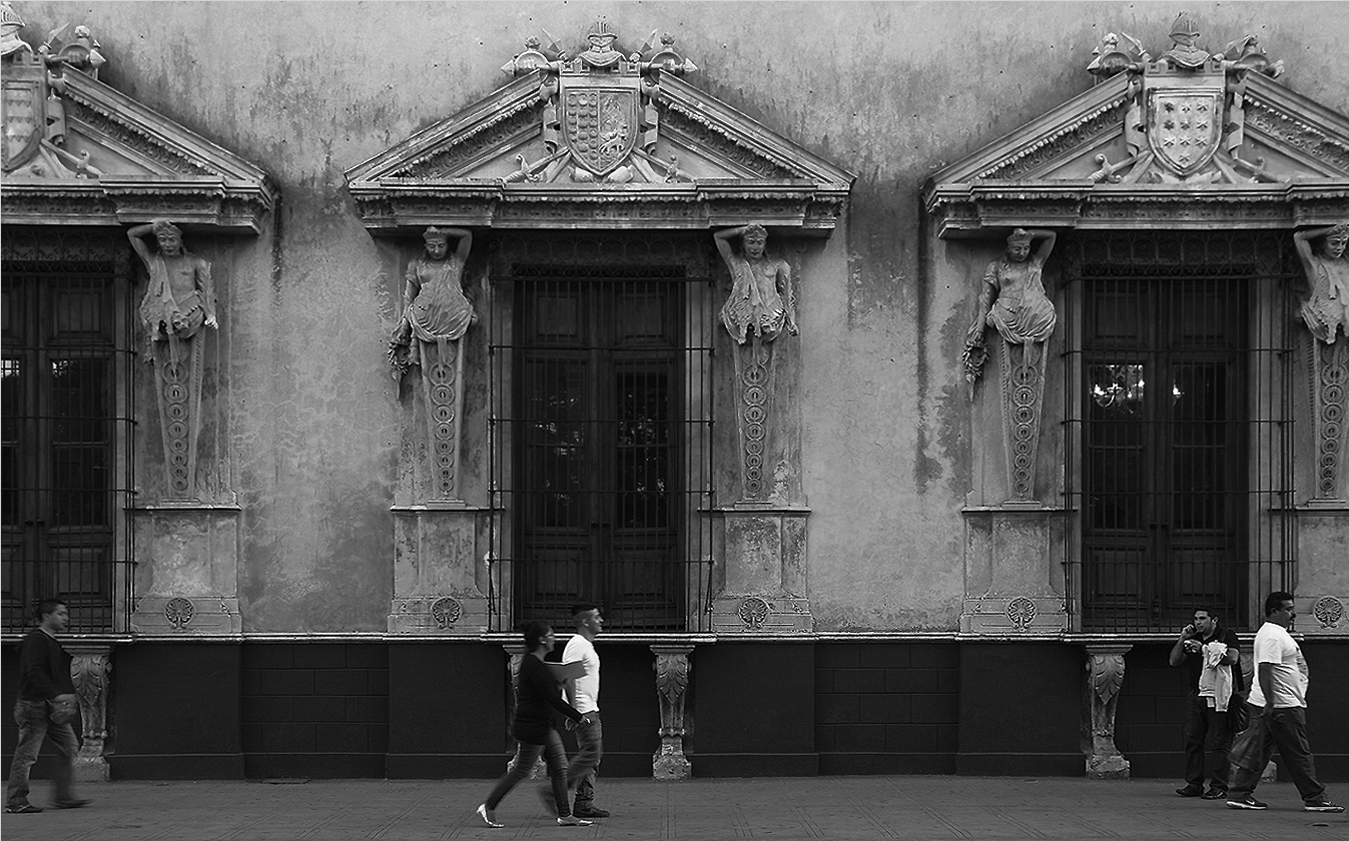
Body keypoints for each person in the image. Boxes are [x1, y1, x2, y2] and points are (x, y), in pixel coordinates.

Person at [1226, 592, 1344, 812]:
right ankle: (1315, 798)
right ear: (1274, 611)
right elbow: (1265, 669)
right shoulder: (1272, 635)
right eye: (1288, 609)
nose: (1293, 613)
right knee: (1298, 752)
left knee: (1258, 750)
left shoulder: (1275, 633)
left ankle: (1240, 793)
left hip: (1275, 703)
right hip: (1282, 706)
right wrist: (1271, 703)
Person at [477, 621, 594, 828]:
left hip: (543, 727)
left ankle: (565, 815)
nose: (554, 638)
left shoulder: (537, 664)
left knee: (560, 768)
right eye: (550, 635)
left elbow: (546, 693)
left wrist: (560, 682)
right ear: (541, 640)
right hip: (533, 728)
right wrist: (577, 716)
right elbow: (551, 698)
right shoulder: (534, 665)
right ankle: (488, 806)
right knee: (521, 770)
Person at [5, 599, 89, 814]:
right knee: (26, 754)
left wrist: (58, 698)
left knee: (69, 746)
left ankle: (63, 797)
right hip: (32, 705)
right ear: (46, 616)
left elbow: (49, 674)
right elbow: (34, 672)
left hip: (49, 706)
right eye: (60, 614)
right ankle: (16, 801)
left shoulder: (51, 641)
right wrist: (57, 695)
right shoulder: (37, 640)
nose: (65, 618)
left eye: (65, 613)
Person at [1168, 608, 1242, 800]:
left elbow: (1232, 658)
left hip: (1219, 695)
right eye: (1195, 619)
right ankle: (1194, 784)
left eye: (1203, 618)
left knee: (1220, 742)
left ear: (1214, 620)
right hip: (1196, 694)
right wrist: (1182, 639)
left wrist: (1202, 649)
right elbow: (1174, 661)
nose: (1198, 622)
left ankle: (1219, 786)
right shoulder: (1192, 639)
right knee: (1194, 740)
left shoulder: (1226, 635)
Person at [964, 227, 1057, 379]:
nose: (1022, 253)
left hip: (1036, 317)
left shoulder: (1035, 263)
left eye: (1026, 248)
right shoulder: (996, 267)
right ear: (1008, 248)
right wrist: (980, 329)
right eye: (1017, 249)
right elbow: (986, 297)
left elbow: (1051, 236)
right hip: (1006, 317)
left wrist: (1031, 233)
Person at [388, 226, 475, 375]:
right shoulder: (416, 265)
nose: (436, 251)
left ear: (448, 246)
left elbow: (467, 236)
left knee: (473, 320)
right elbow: (409, 296)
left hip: (454, 315)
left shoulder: (456, 262)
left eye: (441, 246)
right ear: (425, 246)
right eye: (431, 246)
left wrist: (444, 230)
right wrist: (404, 324)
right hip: (424, 317)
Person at [129, 220, 217, 364]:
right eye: (162, 240)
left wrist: (210, 313)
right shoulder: (154, 262)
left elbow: (205, 289)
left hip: (190, 312)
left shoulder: (196, 262)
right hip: (160, 313)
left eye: (172, 240)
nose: (167, 245)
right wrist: (152, 227)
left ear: (180, 241)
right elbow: (132, 235)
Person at [559, 603, 608, 819]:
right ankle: (556, 790)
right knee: (590, 755)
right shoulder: (577, 644)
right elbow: (567, 677)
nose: (601, 621)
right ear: (585, 621)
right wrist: (574, 712)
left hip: (587, 708)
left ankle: (584, 804)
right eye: (597, 617)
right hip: (584, 710)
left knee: (592, 757)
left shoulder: (585, 644)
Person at [715, 223, 797, 346]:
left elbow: (786, 295)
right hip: (741, 316)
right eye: (750, 242)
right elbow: (718, 237)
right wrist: (742, 229)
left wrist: (792, 321)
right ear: (743, 244)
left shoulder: (778, 265)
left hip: (772, 315)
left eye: (759, 242)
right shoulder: (737, 264)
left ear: (765, 244)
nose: (755, 247)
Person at [1292, 223, 1348, 344]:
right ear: (1323, 244)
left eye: (1343, 243)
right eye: (1334, 243)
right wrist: (1329, 229)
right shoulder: (1315, 264)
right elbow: (1299, 237)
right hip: (1325, 323)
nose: (1339, 248)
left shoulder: (1346, 262)